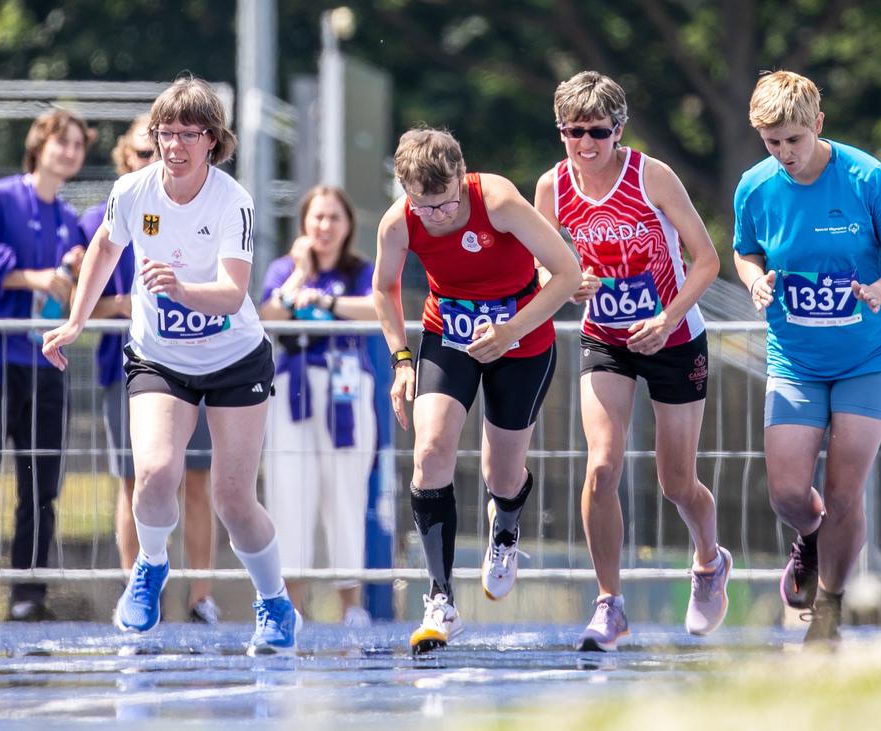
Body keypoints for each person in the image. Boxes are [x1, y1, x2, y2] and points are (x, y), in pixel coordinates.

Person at [42, 76, 300, 655]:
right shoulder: (132, 191)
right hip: (160, 357)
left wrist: (181, 289)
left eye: (189, 133)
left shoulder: (232, 201)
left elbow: (233, 295)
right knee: (155, 472)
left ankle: (276, 602)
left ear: (213, 140)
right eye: (166, 132)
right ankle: (151, 566)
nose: (174, 145)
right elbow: (104, 249)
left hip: (234, 359)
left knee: (233, 499)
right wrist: (77, 321)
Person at [531, 71, 729, 652]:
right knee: (600, 467)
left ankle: (709, 561)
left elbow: (707, 260)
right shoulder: (552, 187)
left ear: (618, 130)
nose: (586, 144)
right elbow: (540, 265)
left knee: (677, 483)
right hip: (606, 338)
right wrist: (563, 282)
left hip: (674, 337)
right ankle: (609, 604)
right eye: (573, 132)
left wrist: (666, 319)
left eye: (597, 131)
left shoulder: (652, 176)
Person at [373, 126, 580, 654]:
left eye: (445, 203)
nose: (437, 217)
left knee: (501, 474)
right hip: (450, 334)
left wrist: (510, 331)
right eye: (424, 207)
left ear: (461, 178)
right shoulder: (399, 221)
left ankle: (505, 526)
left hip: (521, 336)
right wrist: (401, 359)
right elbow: (383, 286)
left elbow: (566, 273)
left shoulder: (499, 200)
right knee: (429, 453)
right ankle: (440, 599)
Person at [733, 70, 881, 643]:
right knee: (789, 494)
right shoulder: (754, 187)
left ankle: (830, 608)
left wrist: (880, 290)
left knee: (842, 494)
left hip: (870, 357)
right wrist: (755, 280)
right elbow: (745, 252)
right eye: (772, 142)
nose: (784, 153)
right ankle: (810, 542)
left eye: (794, 139)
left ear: (818, 123)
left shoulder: (867, 177)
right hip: (797, 358)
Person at [0, 108, 92, 622]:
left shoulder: (69, 219)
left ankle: (29, 596)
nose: (70, 151)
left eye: (78, 145)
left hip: (46, 363)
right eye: (62, 141)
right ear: (39, 144)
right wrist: (32, 277)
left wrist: (72, 278)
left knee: (41, 486)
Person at [81, 115, 221, 625]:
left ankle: (201, 596)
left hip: (194, 359)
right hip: (129, 365)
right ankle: (137, 589)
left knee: (198, 480)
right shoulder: (103, 214)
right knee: (136, 480)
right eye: (147, 150)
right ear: (126, 156)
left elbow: (226, 285)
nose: (162, 155)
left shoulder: (208, 202)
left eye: (177, 143)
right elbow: (78, 297)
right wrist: (122, 306)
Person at [258, 185, 377, 628]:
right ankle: (291, 606)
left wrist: (327, 301)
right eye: (317, 217)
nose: (325, 226)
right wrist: (300, 276)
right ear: (304, 222)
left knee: (346, 492)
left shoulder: (359, 271)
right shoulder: (283, 269)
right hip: (294, 389)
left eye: (334, 217)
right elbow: (268, 316)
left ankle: (351, 606)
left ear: (347, 225)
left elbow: (378, 309)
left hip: (345, 386)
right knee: (289, 494)